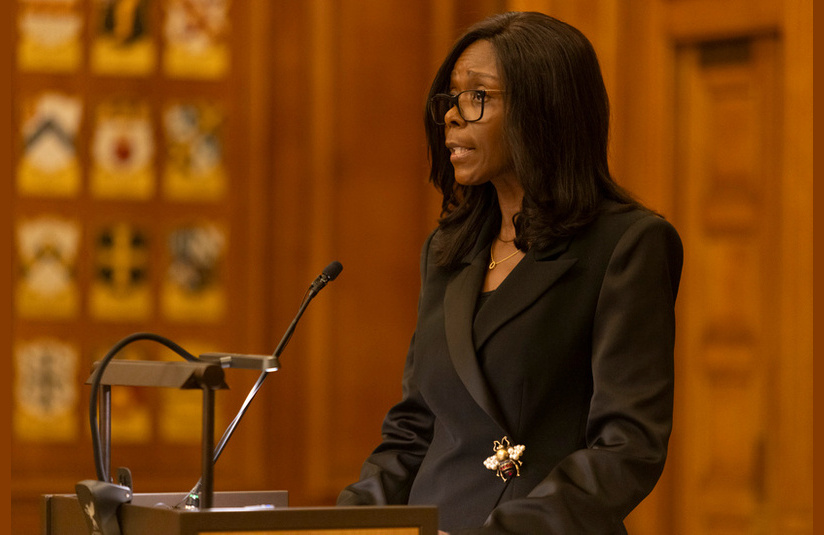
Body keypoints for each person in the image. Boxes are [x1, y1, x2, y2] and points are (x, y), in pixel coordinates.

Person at [337, 11, 683, 534]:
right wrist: (343, 525)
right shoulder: (447, 250)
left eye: (478, 97)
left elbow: (627, 446)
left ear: (544, 112)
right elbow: (414, 428)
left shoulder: (626, 245)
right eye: (450, 99)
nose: (453, 116)